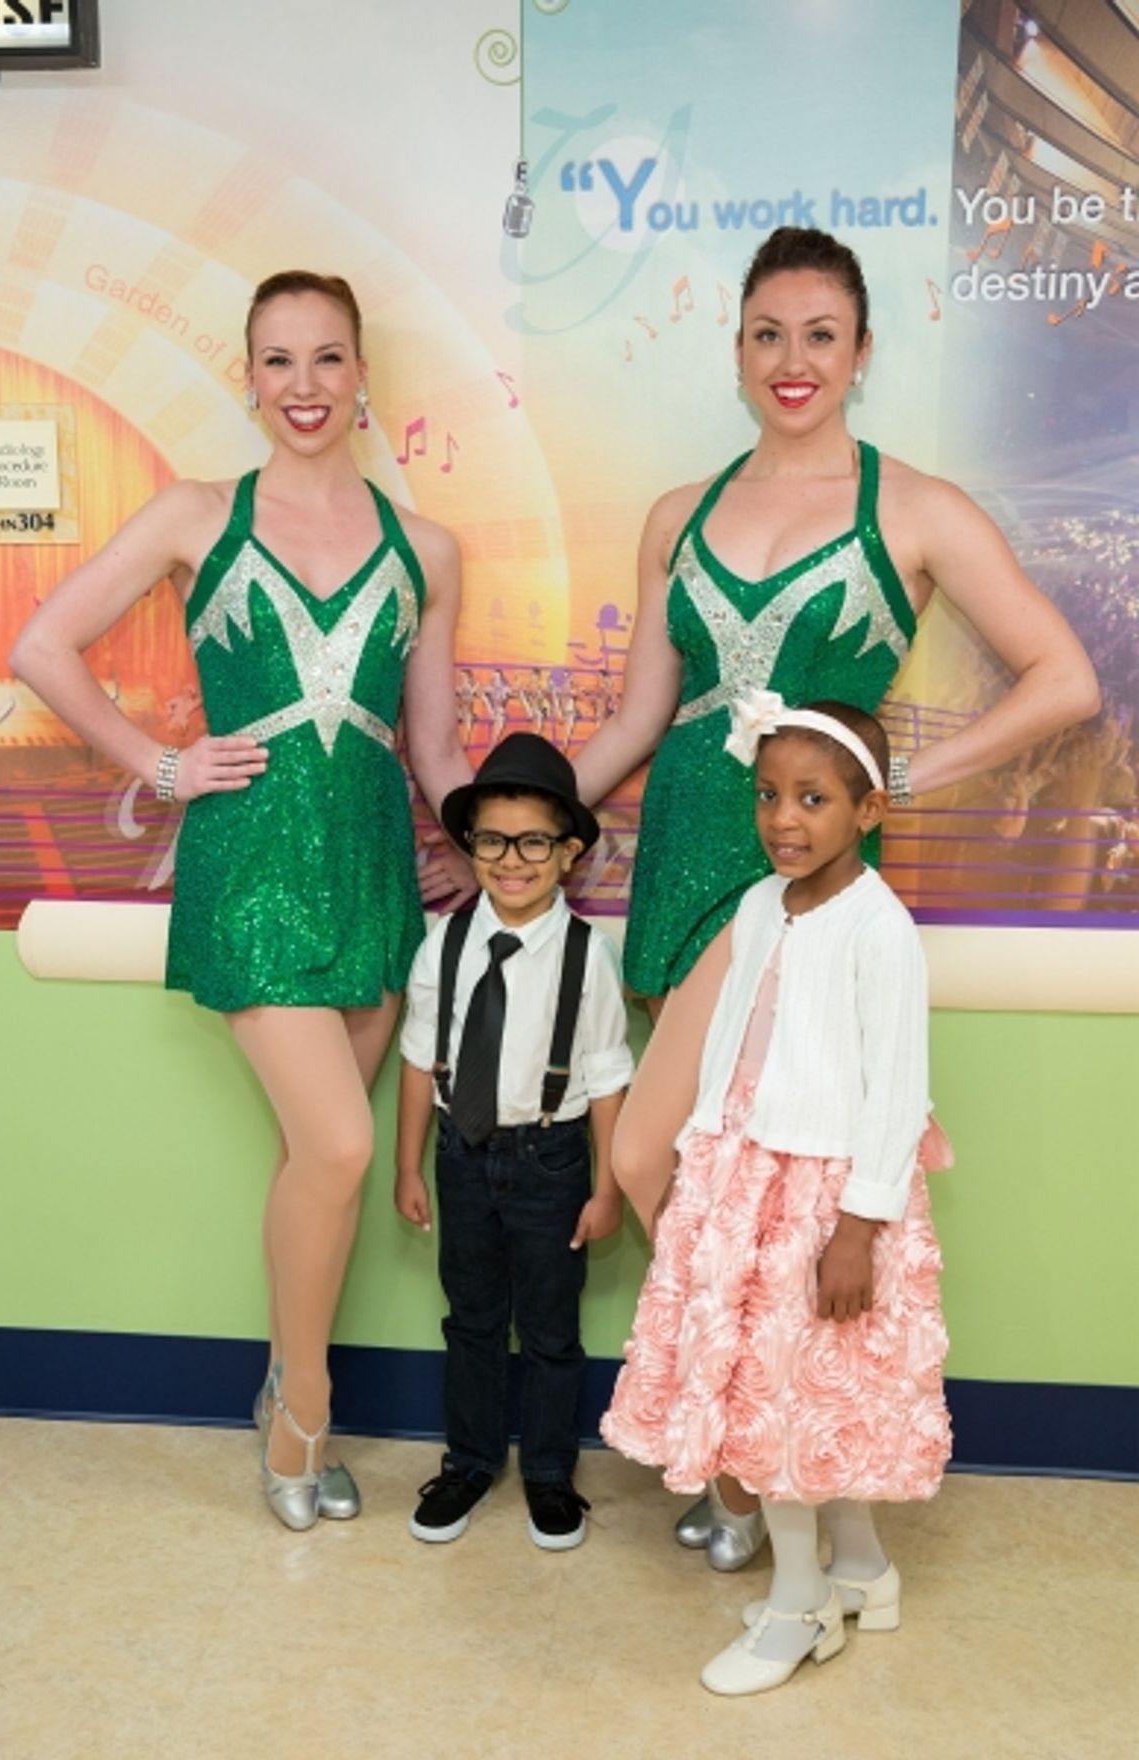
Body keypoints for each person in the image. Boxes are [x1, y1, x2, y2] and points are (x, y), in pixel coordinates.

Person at [573, 224, 1099, 1554]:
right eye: (767, 334)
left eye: (820, 335)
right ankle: (758, 1467)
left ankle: (759, 1472)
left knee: (662, 1161)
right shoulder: (674, 514)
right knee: (721, 1192)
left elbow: (1064, 678)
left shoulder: (914, 506)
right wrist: (513, 820)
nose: (792, 361)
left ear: (861, 351)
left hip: (797, 899)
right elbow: (643, 715)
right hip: (684, 864)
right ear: (737, 350)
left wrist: (903, 786)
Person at [9, 269, 474, 1531]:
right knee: (339, 1147)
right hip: (253, 873)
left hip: (373, 869)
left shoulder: (425, 548)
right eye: (279, 361)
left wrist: (485, 846)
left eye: (329, 359)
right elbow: (39, 645)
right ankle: (302, 1414)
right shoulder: (195, 515)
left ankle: (284, 1372)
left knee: (305, 1163)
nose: (306, 386)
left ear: (364, 373)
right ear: (248, 376)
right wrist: (160, 766)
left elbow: (431, 748)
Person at [603, 695, 952, 1695]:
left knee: (790, 1392)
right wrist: (703, 1152)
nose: (785, 818)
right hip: (743, 1171)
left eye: (813, 798)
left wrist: (859, 1224)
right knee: (796, 1382)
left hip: (824, 1194)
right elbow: (731, 1044)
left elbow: (897, 1084)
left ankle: (800, 1604)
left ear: (867, 809)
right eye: (768, 795)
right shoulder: (762, 904)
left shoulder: (879, 926)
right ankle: (860, 1569)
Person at [395, 734, 633, 1550]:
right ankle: (468, 1460)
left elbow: (606, 1075)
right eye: (492, 841)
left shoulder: (587, 957)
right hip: (461, 1158)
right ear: (472, 848)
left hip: (551, 1159)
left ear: (567, 852)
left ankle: (548, 1472)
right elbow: (420, 1057)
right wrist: (406, 1166)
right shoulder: (446, 943)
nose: (512, 860)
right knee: (470, 1319)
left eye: (534, 841)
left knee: (550, 1326)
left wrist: (606, 1187)